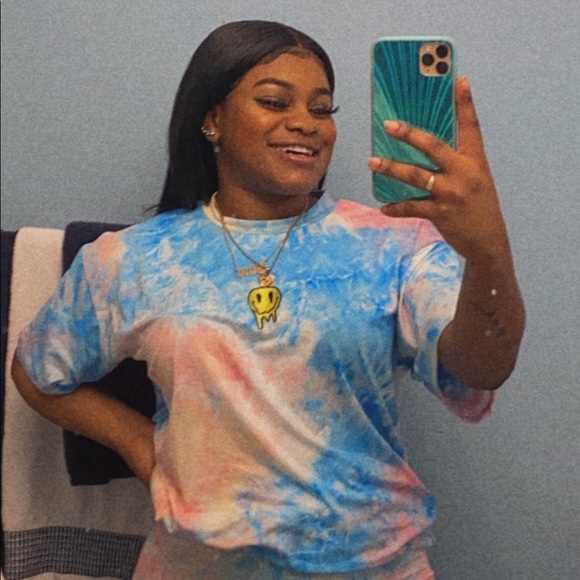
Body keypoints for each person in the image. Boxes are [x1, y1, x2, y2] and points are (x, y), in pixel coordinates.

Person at [12, 20, 525, 580]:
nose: (306, 122)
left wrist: (489, 251)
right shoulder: (134, 258)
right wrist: (136, 441)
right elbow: (38, 372)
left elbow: (481, 368)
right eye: (275, 101)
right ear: (212, 119)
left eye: (322, 108)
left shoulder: (394, 245)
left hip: (373, 565)